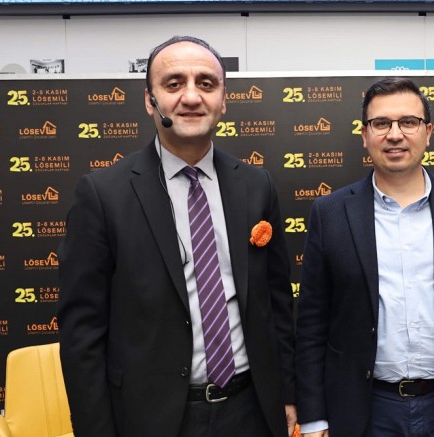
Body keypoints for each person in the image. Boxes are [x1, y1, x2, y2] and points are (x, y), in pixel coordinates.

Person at [58, 35, 296, 437]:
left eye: (206, 83)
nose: (191, 97)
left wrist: (288, 395)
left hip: (251, 410)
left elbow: (277, 304)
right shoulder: (103, 195)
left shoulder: (257, 186)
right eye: (174, 84)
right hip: (153, 417)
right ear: (150, 100)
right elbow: (82, 334)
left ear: (223, 100)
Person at [296, 77, 434, 437]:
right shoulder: (330, 212)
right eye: (381, 123)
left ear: (428, 133)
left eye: (408, 122)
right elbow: (311, 322)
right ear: (364, 135)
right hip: (363, 410)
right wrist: (314, 417)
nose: (395, 134)